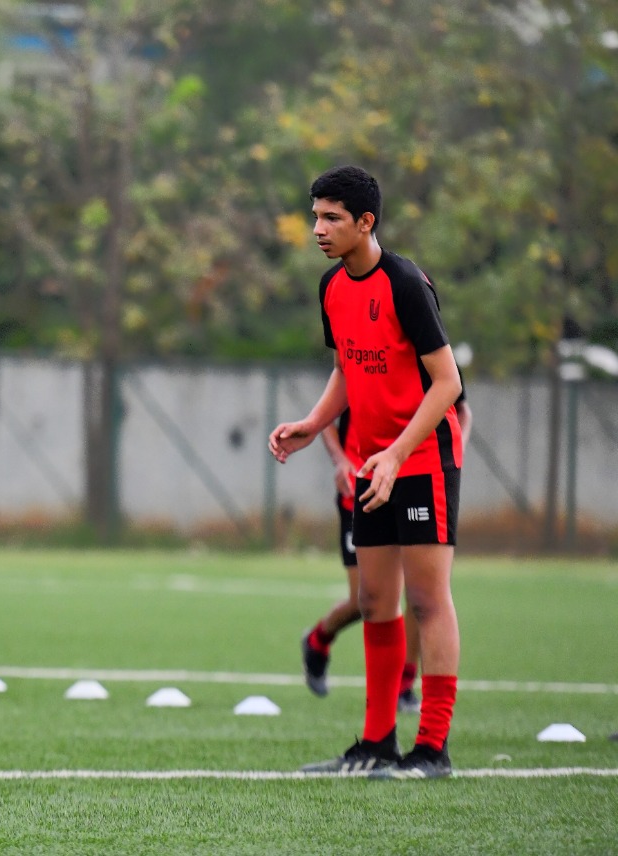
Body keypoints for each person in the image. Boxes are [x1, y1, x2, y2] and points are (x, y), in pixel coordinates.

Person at [269, 165, 463, 780]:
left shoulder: (405, 283)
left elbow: (447, 383)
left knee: (428, 602)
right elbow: (348, 370)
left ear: (366, 222)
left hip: (421, 458)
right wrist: (312, 423)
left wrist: (399, 453)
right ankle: (376, 744)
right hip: (374, 461)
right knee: (376, 601)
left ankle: (431, 749)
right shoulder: (332, 287)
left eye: (332, 217)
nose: (319, 228)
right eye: (316, 215)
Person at [301, 394, 472, 714]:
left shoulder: (429, 352)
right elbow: (327, 415)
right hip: (361, 489)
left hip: (416, 482)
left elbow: (459, 407)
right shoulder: (358, 356)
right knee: (365, 602)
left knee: (421, 596)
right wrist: (340, 460)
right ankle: (318, 639)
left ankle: (404, 685)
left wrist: (453, 451)